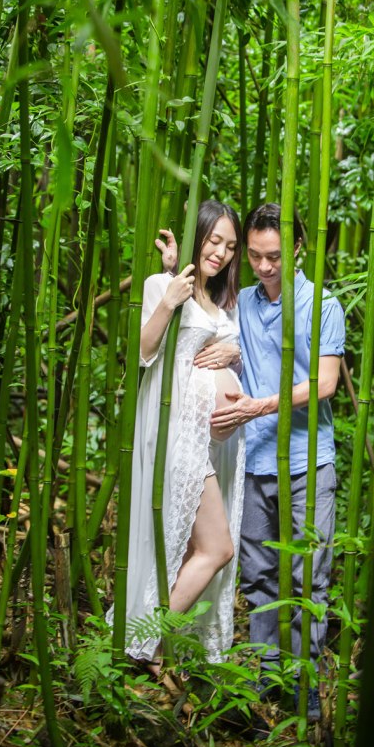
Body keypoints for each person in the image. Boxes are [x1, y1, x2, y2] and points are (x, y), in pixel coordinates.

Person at [159, 203, 345, 717]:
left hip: (309, 461)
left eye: (275, 257)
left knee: (309, 577)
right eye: (256, 256)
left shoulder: (322, 305)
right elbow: (198, 309)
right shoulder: (240, 300)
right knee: (259, 576)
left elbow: (326, 383)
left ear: (298, 248)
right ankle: (266, 678)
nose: (264, 266)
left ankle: (304, 685)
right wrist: (175, 271)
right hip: (252, 460)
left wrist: (259, 405)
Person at [117, 200, 246, 672]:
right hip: (178, 435)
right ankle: (143, 643)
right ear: (198, 237)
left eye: (230, 247)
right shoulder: (163, 285)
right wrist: (171, 295)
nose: (221, 253)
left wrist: (232, 353)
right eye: (214, 240)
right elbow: (143, 352)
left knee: (196, 549)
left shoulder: (220, 301)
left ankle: (162, 647)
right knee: (217, 548)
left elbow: (223, 354)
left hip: (212, 444)